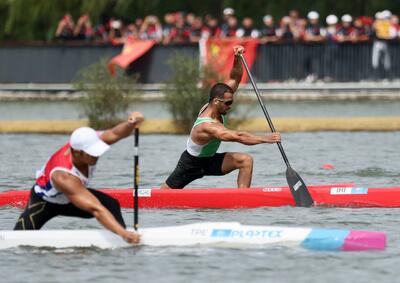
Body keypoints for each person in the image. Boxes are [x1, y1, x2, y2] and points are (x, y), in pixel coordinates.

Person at [14, 112, 145, 244]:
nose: (97, 155)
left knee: (111, 204)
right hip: (44, 203)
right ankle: (125, 235)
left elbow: (116, 133)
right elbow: (96, 209)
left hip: (71, 196)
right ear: (77, 153)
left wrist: (131, 124)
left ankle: (121, 242)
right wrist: (124, 234)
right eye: (92, 153)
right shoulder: (63, 176)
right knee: (19, 239)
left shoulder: (88, 142)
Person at [162, 45, 281, 189]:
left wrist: (237, 58)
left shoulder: (219, 101)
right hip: (191, 164)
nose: (230, 106)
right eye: (228, 103)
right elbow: (238, 136)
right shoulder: (207, 126)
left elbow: (235, 78)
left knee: (245, 160)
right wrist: (267, 139)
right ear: (216, 101)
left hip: (211, 160)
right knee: (165, 193)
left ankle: (242, 199)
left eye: (232, 101)